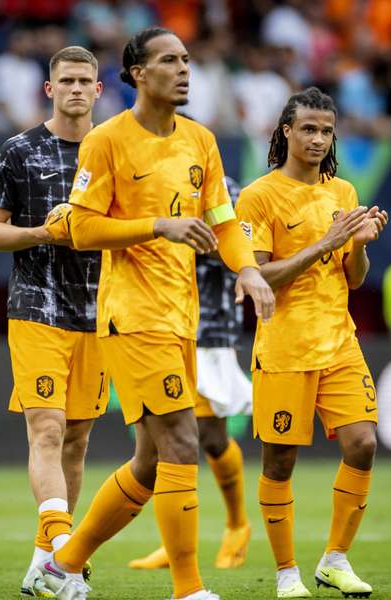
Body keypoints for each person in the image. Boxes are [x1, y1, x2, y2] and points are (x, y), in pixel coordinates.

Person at [33, 27, 275, 600]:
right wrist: (158, 225)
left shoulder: (201, 141)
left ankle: (62, 565)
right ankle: (188, 589)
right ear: (138, 73)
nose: (185, 69)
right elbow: (81, 226)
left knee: (148, 461)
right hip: (131, 315)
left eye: (188, 59)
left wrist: (247, 269)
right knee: (182, 443)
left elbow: (222, 221)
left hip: (180, 316)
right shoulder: (108, 140)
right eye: (170, 60)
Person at [236, 87, 388, 599]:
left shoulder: (343, 193)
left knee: (363, 443)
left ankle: (336, 559)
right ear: (285, 132)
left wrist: (358, 245)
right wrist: (324, 242)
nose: (319, 138)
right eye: (308, 129)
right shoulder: (258, 195)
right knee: (279, 462)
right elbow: (258, 275)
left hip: (339, 341)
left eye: (326, 130)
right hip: (283, 347)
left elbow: (355, 278)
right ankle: (286, 574)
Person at [0, 46, 106, 598]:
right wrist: (41, 233)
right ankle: (62, 554)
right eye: (66, 81)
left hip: (100, 312)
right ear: (49, 89)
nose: (76, 89)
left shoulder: (115, 150)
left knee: (76, 440)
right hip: (36, 306)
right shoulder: (20, 151)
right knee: (48, 428)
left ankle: (41, 565)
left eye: (85, 81)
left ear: (99, 91)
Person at [128, 176, 252, 571]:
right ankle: (176, 542)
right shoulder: (148, 181)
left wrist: (182, 235)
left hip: (209, 326)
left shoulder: (223, 188)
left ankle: (237, 525)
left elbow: (236, 248)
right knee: (164, 439)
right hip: (159, 321)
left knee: (210, 437)